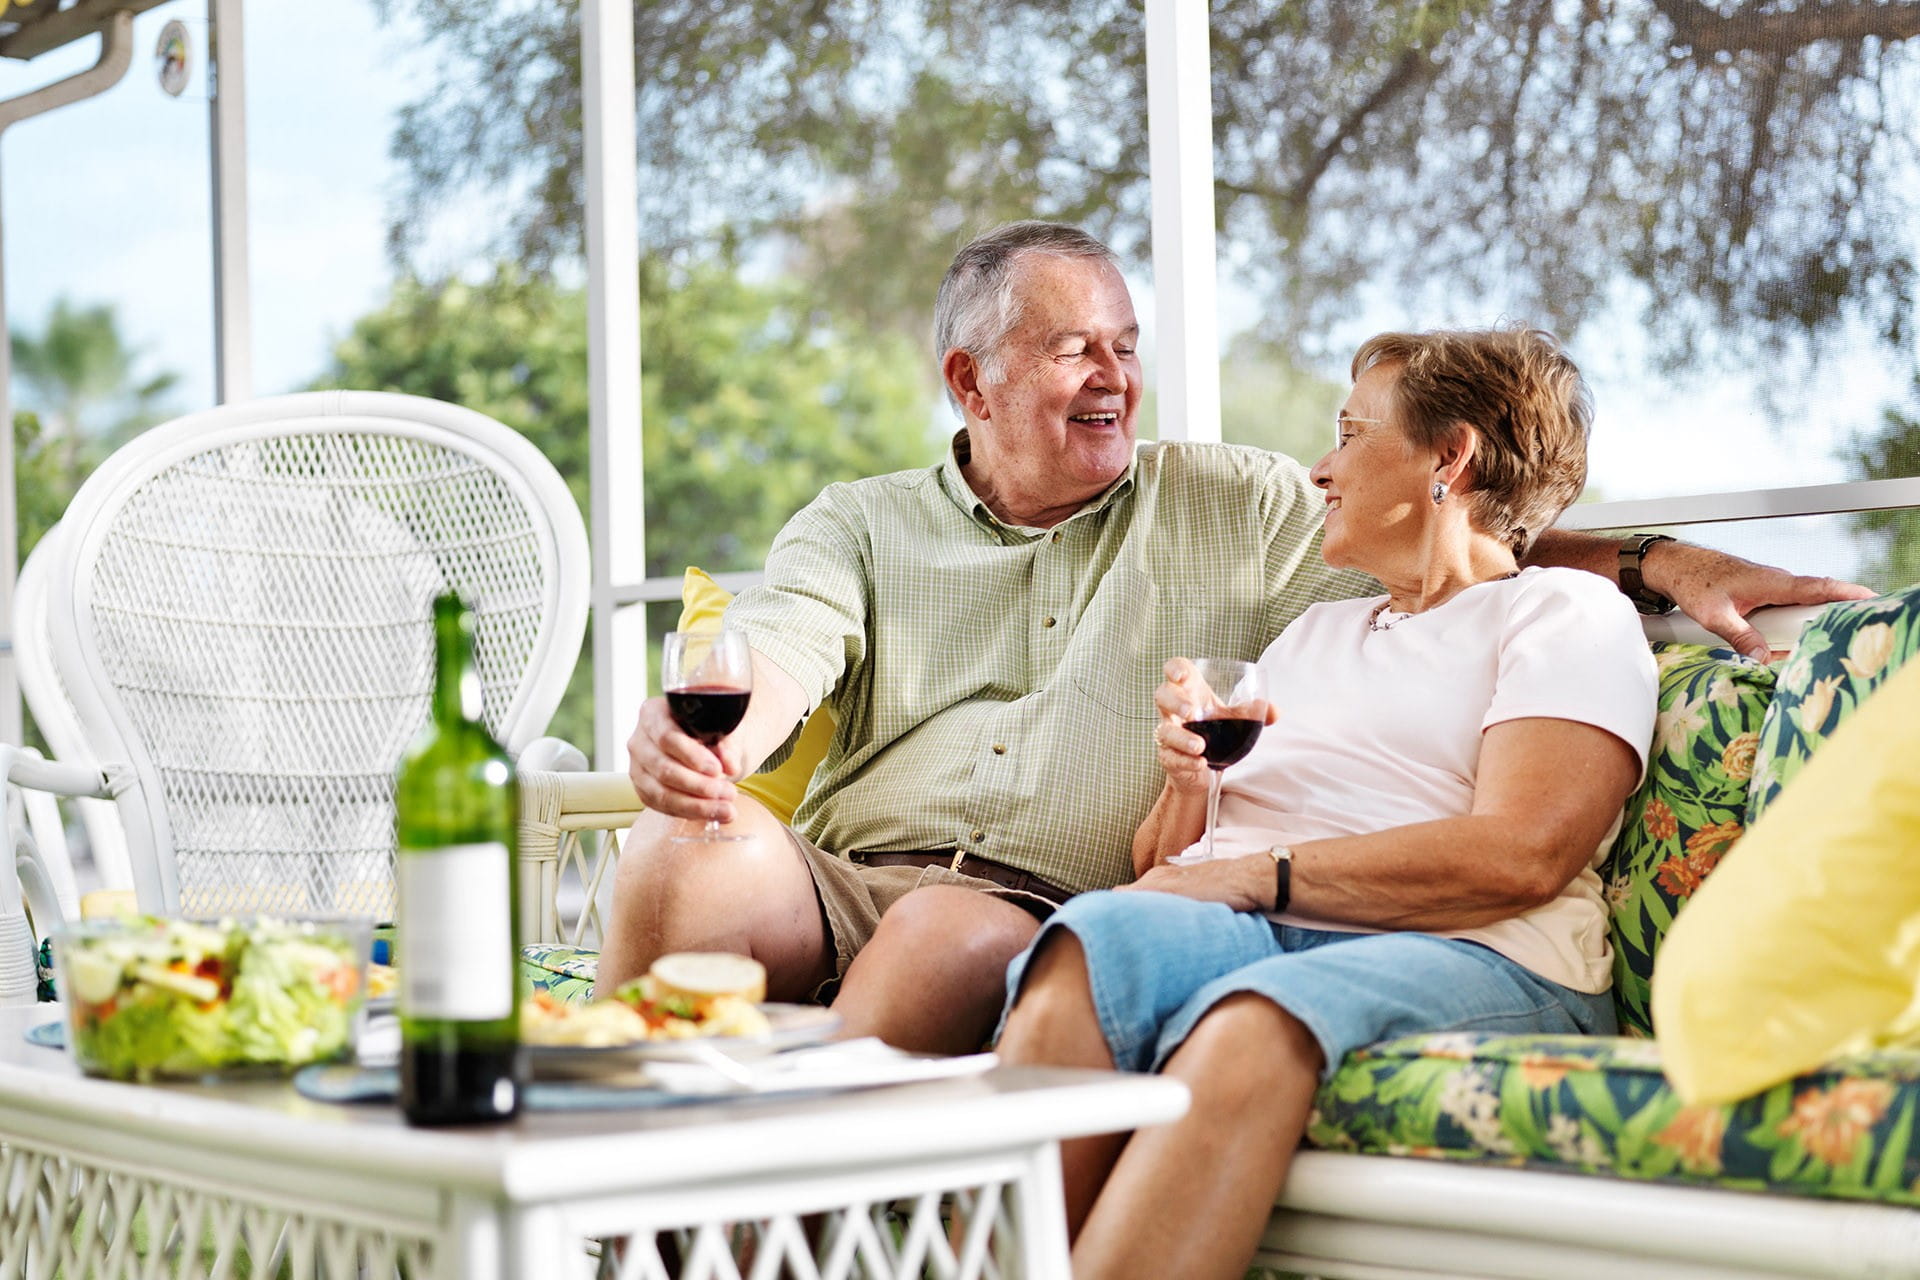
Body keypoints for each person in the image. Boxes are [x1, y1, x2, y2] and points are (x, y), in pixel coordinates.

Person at [598, 220, 1867, 1052]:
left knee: (940, 929)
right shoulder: (861, 523)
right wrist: (706, 745)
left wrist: (1661, 558)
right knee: (677, 848)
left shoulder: (1246, 504)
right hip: (844, 876)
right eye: (1070, 350)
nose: (1114, 376)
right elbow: (780, 647)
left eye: (1126, 346)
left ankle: (810, 1223)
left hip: (1030, 903)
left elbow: (1458, 533)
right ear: (971, 384)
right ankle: (606, 1198)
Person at [993, 327, 1657, 1278]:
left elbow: (1524, 855)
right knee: (1092, 941)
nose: (1321, 468)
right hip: (1272, 919)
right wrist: (1189, 788)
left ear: (1451, 456)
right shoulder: (1316, 630)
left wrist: (1261, 877)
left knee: (1254, 1019)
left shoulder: (1560, 613)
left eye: (1350, 434)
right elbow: (1166, 872)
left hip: (1475, 945)